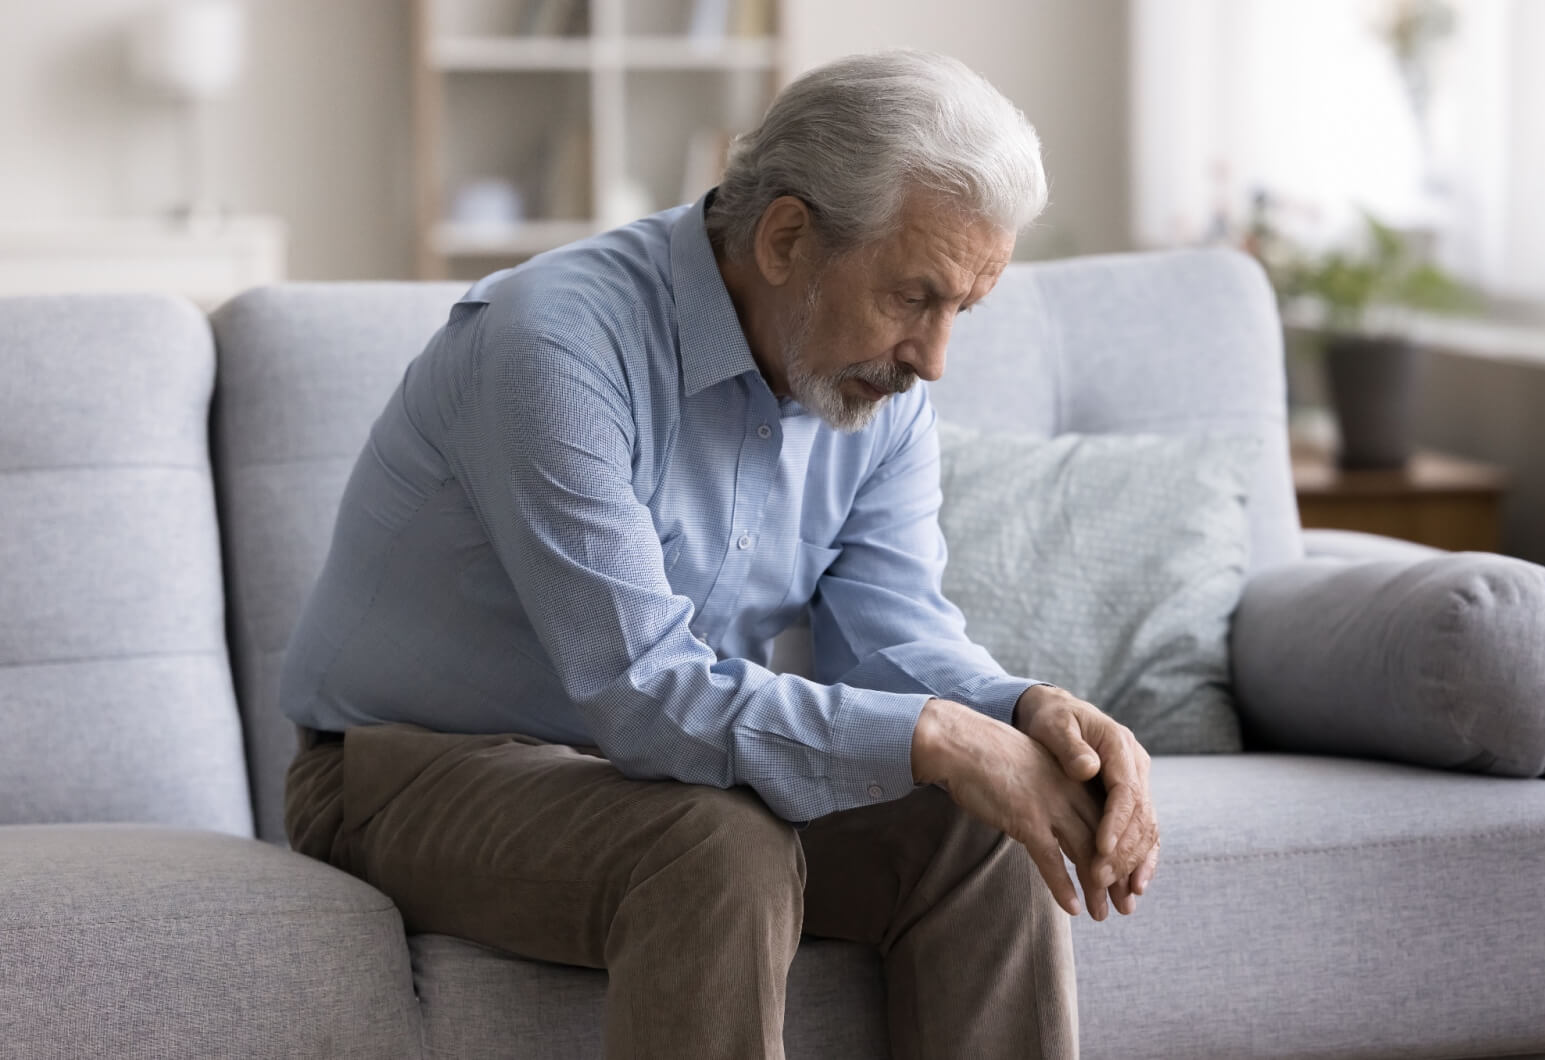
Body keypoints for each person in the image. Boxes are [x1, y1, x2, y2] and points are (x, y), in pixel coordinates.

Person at [280, 49, 1159, 1060]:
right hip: (404, 772)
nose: (934, 357)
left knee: (984, 831)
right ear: (787, 237)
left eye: (963, 307)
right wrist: (942, 740)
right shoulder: (554, 349)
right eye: (913, 296)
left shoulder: (876, 389)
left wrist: (1021, 712)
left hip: (662, 774)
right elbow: (643, 692)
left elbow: (892, 637)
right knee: (715, 846)